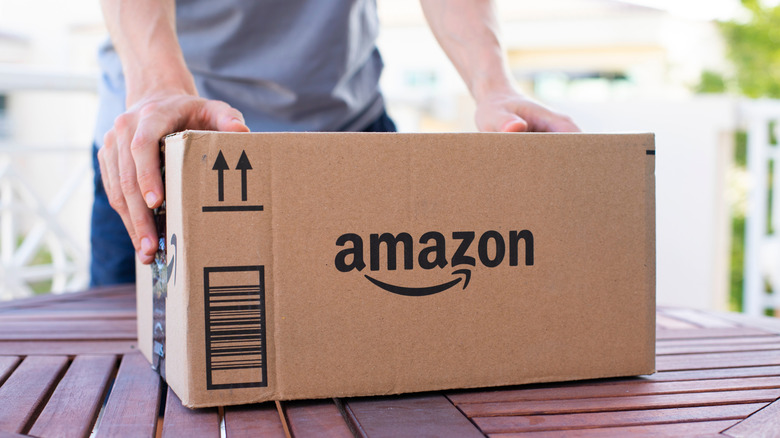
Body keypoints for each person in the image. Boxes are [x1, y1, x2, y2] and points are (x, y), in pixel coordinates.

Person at [92, 0, 579, 286]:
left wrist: (494, 85)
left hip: (347, 144)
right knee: (132, 395)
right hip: (170, 149)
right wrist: (159, 84)